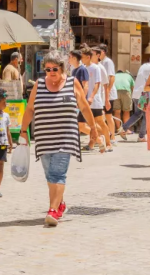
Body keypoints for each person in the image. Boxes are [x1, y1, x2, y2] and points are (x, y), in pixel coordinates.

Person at [19, 51, 98, 227]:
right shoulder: (39, 85)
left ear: (62, 68)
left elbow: (84, 107)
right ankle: (60, 203)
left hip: (66, 137)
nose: (51, 72)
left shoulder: (72, 83)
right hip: (44, 137)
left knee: (58, 174)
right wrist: (23, 131)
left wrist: (93, 128)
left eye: (54, 69)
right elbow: (30, 109)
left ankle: (52, 210)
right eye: (47, 69)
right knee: (50, 175)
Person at [79, 48, 110, 152]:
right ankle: (98, 138)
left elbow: (98, 84)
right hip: (84, 101)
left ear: (88, 57)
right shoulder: (82, 68)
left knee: (99, 122)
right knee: (82, 125)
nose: (81, 59)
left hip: (95, 100)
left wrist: (92, 96)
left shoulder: (96, 68)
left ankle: (108, 142)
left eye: (82, 57)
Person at [124, 54, 150, 142]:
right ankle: (142, 136)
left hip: (136, 94)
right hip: (144, 94)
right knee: (147, 115)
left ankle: (124, 128)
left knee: (138, 114)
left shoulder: (143, 66)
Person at [99, 44, 120, 138]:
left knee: (108, 115)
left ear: (103, 52)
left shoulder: (108, 62)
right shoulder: (101, 62)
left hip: (108, 93)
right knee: (103, 115)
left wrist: (107, 90)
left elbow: (112, 77)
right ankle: (106, 135)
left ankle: (112, 137)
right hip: (102, 93)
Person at [113, 68, 135, 139]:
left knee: (117, 111)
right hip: (126, 91)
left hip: (115, 91)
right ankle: (126, 130)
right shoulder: (128, 76)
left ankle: (119, 129)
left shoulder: (114, 75)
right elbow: (133, 88)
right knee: (126, 111)